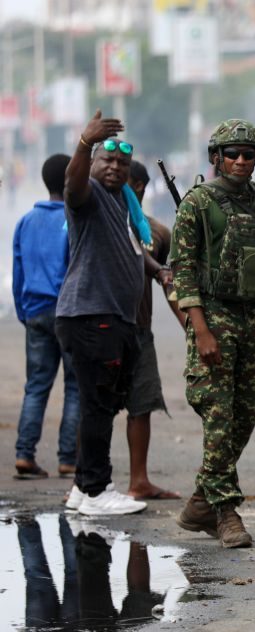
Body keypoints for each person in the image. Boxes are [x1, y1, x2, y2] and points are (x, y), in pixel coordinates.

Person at [171, 119, 255, 548]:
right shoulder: (198, 204)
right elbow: (183, 273)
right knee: (219, 416)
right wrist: (201, 330)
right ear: (216, 158)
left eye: (249, 155)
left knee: (244, 418)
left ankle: (199, 503)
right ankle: (226, 512)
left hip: (251, 320)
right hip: (213, 316)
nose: (242, 161)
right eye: (233, 154)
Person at [57, 110, 159, 516]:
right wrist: (84, 143)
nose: (115, 168)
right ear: (95, 164)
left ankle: (84, 488)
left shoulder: (121, 202)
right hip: (92, 314)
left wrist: (160, 272)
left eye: (121, 163)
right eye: (107, 161)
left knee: (98, 403)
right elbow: (72, 183)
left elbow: (135, 251)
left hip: (108, 317)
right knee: (99, 405)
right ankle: (98, 490)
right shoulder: (89, 195)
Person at [12, 153, 79, 480]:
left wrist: (24, 312)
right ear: (71, 179)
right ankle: (68, 458)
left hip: (35, 311)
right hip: (67, 312)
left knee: (36, 386)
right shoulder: (72, 218)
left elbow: (18, 271)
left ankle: (25, 454)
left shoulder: (26, 221)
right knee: (75, 386)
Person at [122, 160, 185, 501]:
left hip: (139, 331)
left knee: (141, 404)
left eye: (124, 180)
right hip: (101, 329)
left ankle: (139, 481)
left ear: (140, 187)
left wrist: (192, 327)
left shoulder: (157, 233)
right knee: (93, 406)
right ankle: (86, 483)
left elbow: (170, 285)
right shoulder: (98, 222)